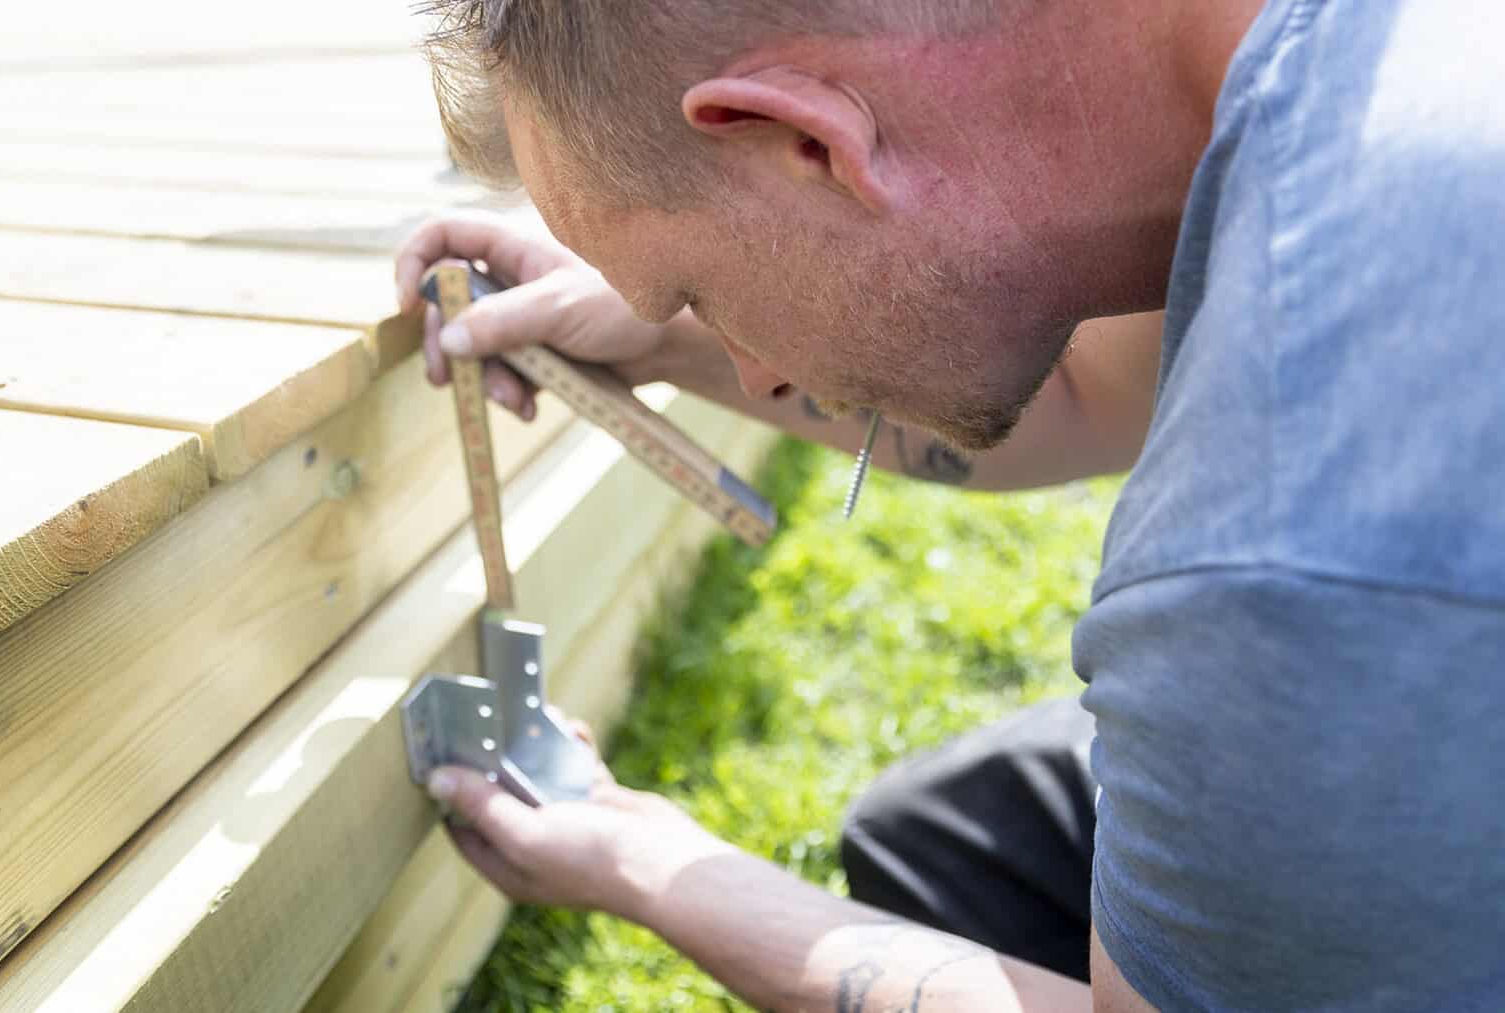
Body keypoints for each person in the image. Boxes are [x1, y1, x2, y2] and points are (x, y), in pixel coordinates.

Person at [392, 1, 1505, 1009]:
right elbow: (1088, 392)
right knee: (945, 838)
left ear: (809, 142)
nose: (760, 367)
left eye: (698, 294)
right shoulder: (1305, 77)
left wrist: (652, 867)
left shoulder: (1285, 553)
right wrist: (670, 333)